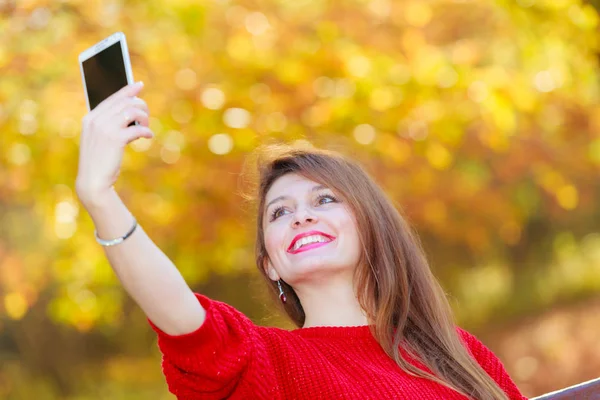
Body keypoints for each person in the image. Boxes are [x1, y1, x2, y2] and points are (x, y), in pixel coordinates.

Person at [76, 83, 528, 400]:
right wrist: (100, 197)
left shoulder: (457, 352)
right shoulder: (263, 365)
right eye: (280, 212)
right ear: (270, 263)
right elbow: (181, 318)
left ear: (371, 225)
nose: (302, 215)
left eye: (324, 198)